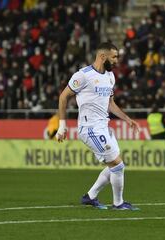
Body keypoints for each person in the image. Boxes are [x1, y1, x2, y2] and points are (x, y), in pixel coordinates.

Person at [56, 42, 140, 210]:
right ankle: (118, 204)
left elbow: (110, 103)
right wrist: (62, 126)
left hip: (104, 127)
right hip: (89, 128)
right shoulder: (83, 75)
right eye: (114, 57)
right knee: (117, 165)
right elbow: (63, 97)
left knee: (115, 165)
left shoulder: (110, 77)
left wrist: (127, 119)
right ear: (103, 56)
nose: (117, 61)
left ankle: (90, 196)